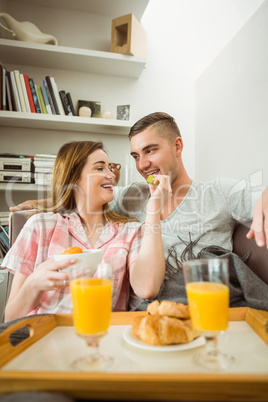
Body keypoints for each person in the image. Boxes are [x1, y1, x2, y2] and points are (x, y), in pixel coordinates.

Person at [9, 113, 268, 310]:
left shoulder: (219, 192)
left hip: (199, 308)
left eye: (150, 151)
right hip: (142, 314)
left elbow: (260, 195)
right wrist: (37, 205)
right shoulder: (133, 195)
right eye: (135, 155)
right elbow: (84, 194)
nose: (142, 165)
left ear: (177, 147)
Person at [1, 140, 171, 321]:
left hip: (101, 337)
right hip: (44, 336)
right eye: (100, 168)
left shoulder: (131, 231)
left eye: (110, 167)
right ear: (74, 177)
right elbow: (11, 317)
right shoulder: (41, 225)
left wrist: (154, 209)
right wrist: (34, 285)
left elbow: (147, 288)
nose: (111, 175)